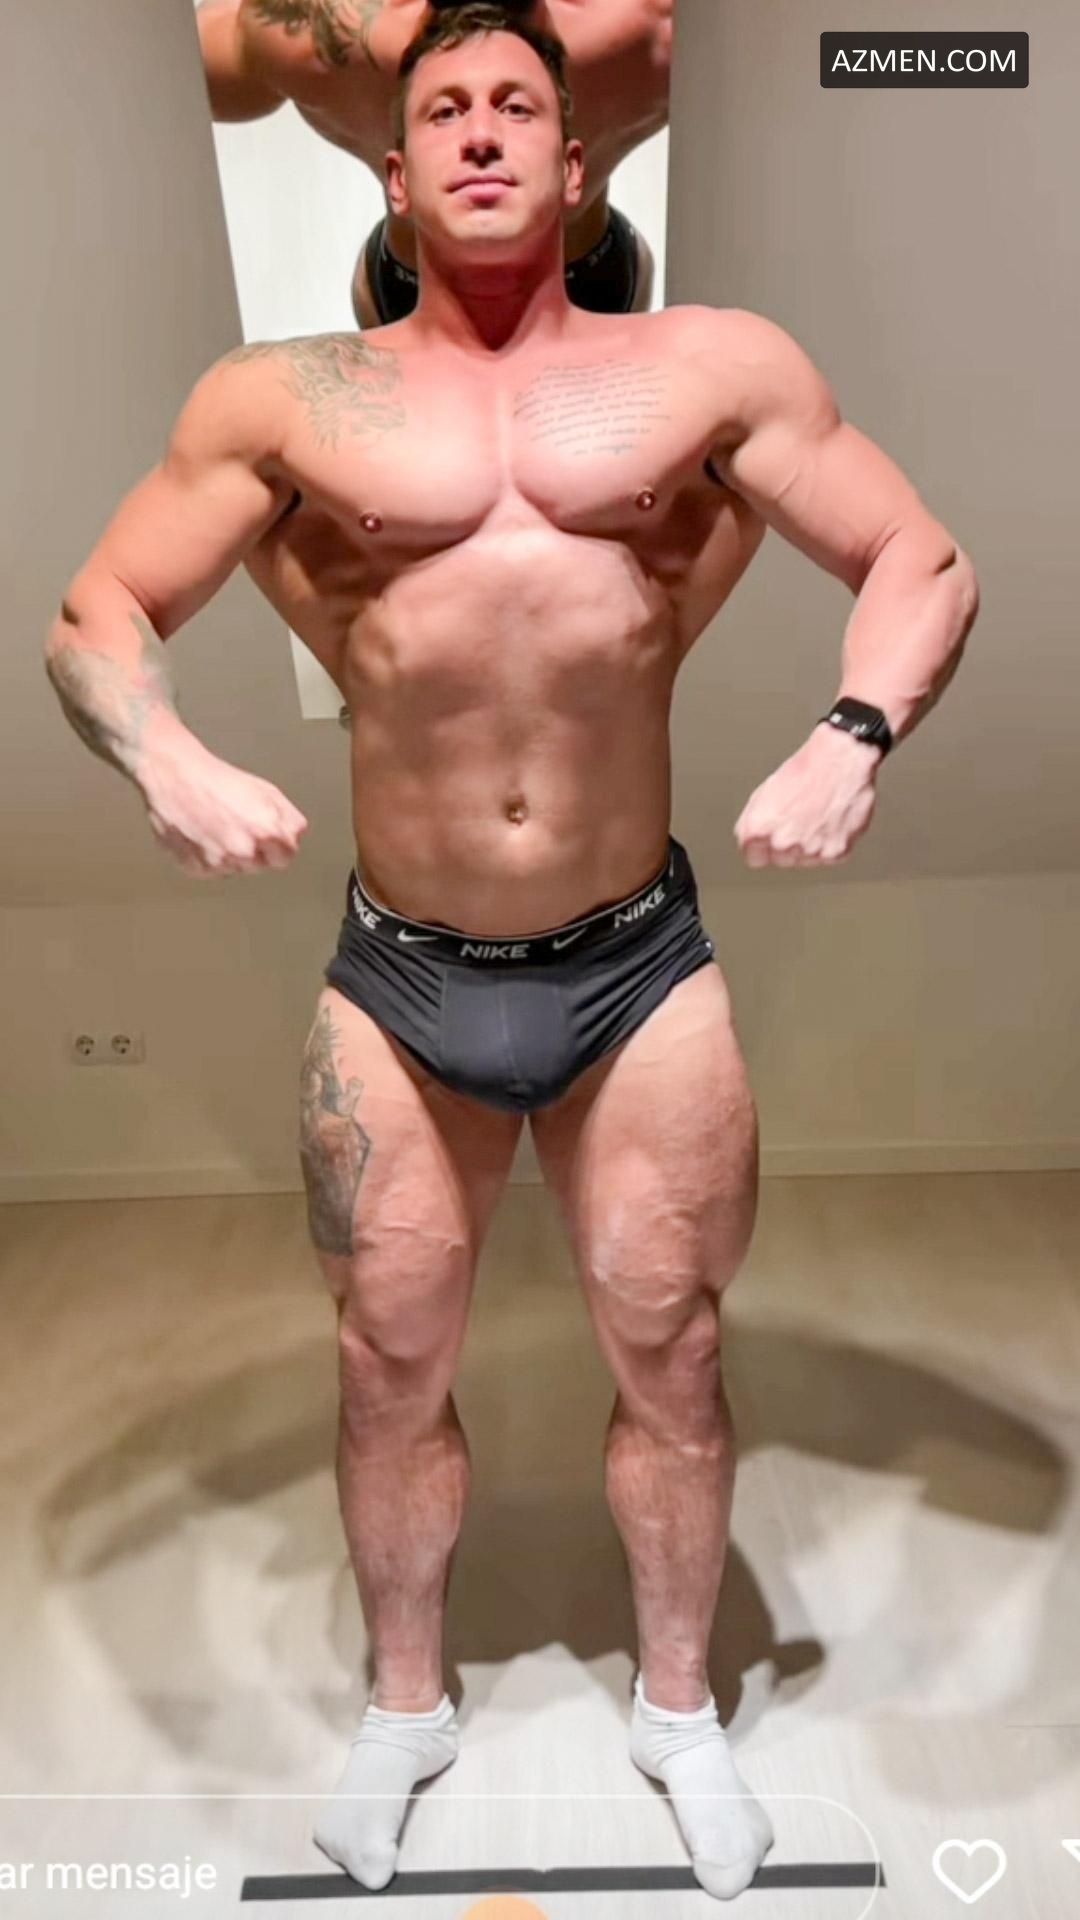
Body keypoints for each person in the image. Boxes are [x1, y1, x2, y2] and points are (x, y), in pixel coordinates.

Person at [45, 4, 978, 1900]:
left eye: (517, 107)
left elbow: (922, 560)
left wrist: (852, 733)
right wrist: (167, 759)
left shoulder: (706, 370)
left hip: (640, 970)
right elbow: (97, 611)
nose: (482, 130)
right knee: (386, 1360)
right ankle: (405, 1710)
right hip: (399, 980)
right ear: (392, 173)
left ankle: (679, 1713)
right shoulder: (285, 401)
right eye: (447, 109)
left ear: (575, 157)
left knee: (675, 1348)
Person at [196, 0, 669, 323]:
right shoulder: (643, 25)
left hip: (409, 285)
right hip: (591, 276)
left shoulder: (316, 31)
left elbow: (182, 78)